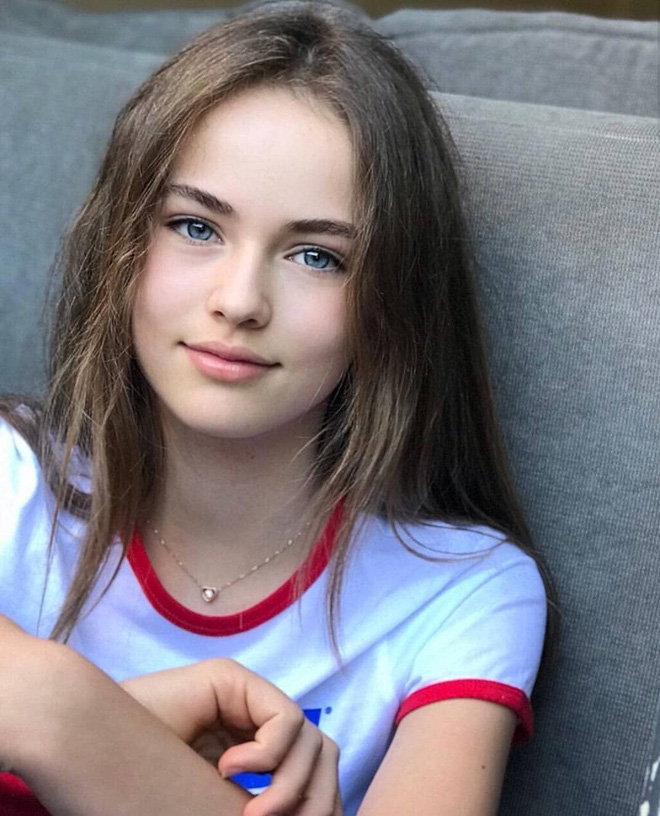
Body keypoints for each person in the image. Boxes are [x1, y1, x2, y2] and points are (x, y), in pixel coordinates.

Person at [0, 1, 556, 814]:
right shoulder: (10, 481)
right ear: (120, 245)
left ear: (394, 303)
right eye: (196, 227)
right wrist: (85, 714)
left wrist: (65, 719)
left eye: (316, 256)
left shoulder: (462, 592)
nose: (239, 301)